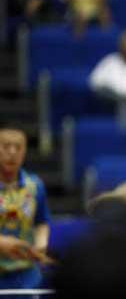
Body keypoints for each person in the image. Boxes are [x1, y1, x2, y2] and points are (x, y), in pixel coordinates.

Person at [0, 121, 51, 288]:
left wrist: (41, 244)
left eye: (18, 147)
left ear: (24, 152)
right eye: (6, 146)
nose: (12, 152)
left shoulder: (35, 186)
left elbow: (41, 222)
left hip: (27, 275)